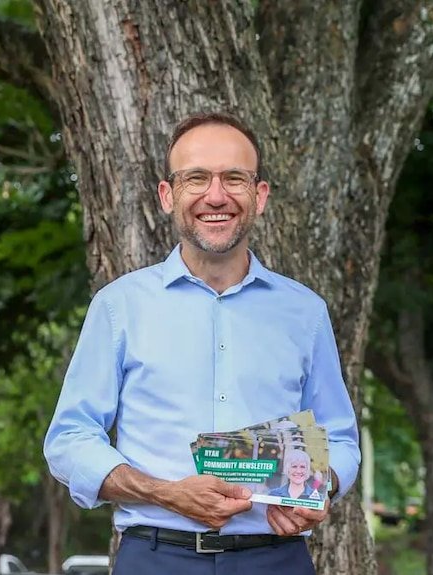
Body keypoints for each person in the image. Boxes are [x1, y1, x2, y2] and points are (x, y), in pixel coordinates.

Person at [44, 112, 361, 575]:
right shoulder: (118, 307)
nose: (216, 196)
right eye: (196, 179)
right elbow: (69, 440)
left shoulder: (305, 313)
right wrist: (164, 492)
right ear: (168, 196)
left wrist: (322, 486)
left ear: (260, 196)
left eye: (235, 178)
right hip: (154, 558)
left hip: (277, 559)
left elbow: (339, 439)